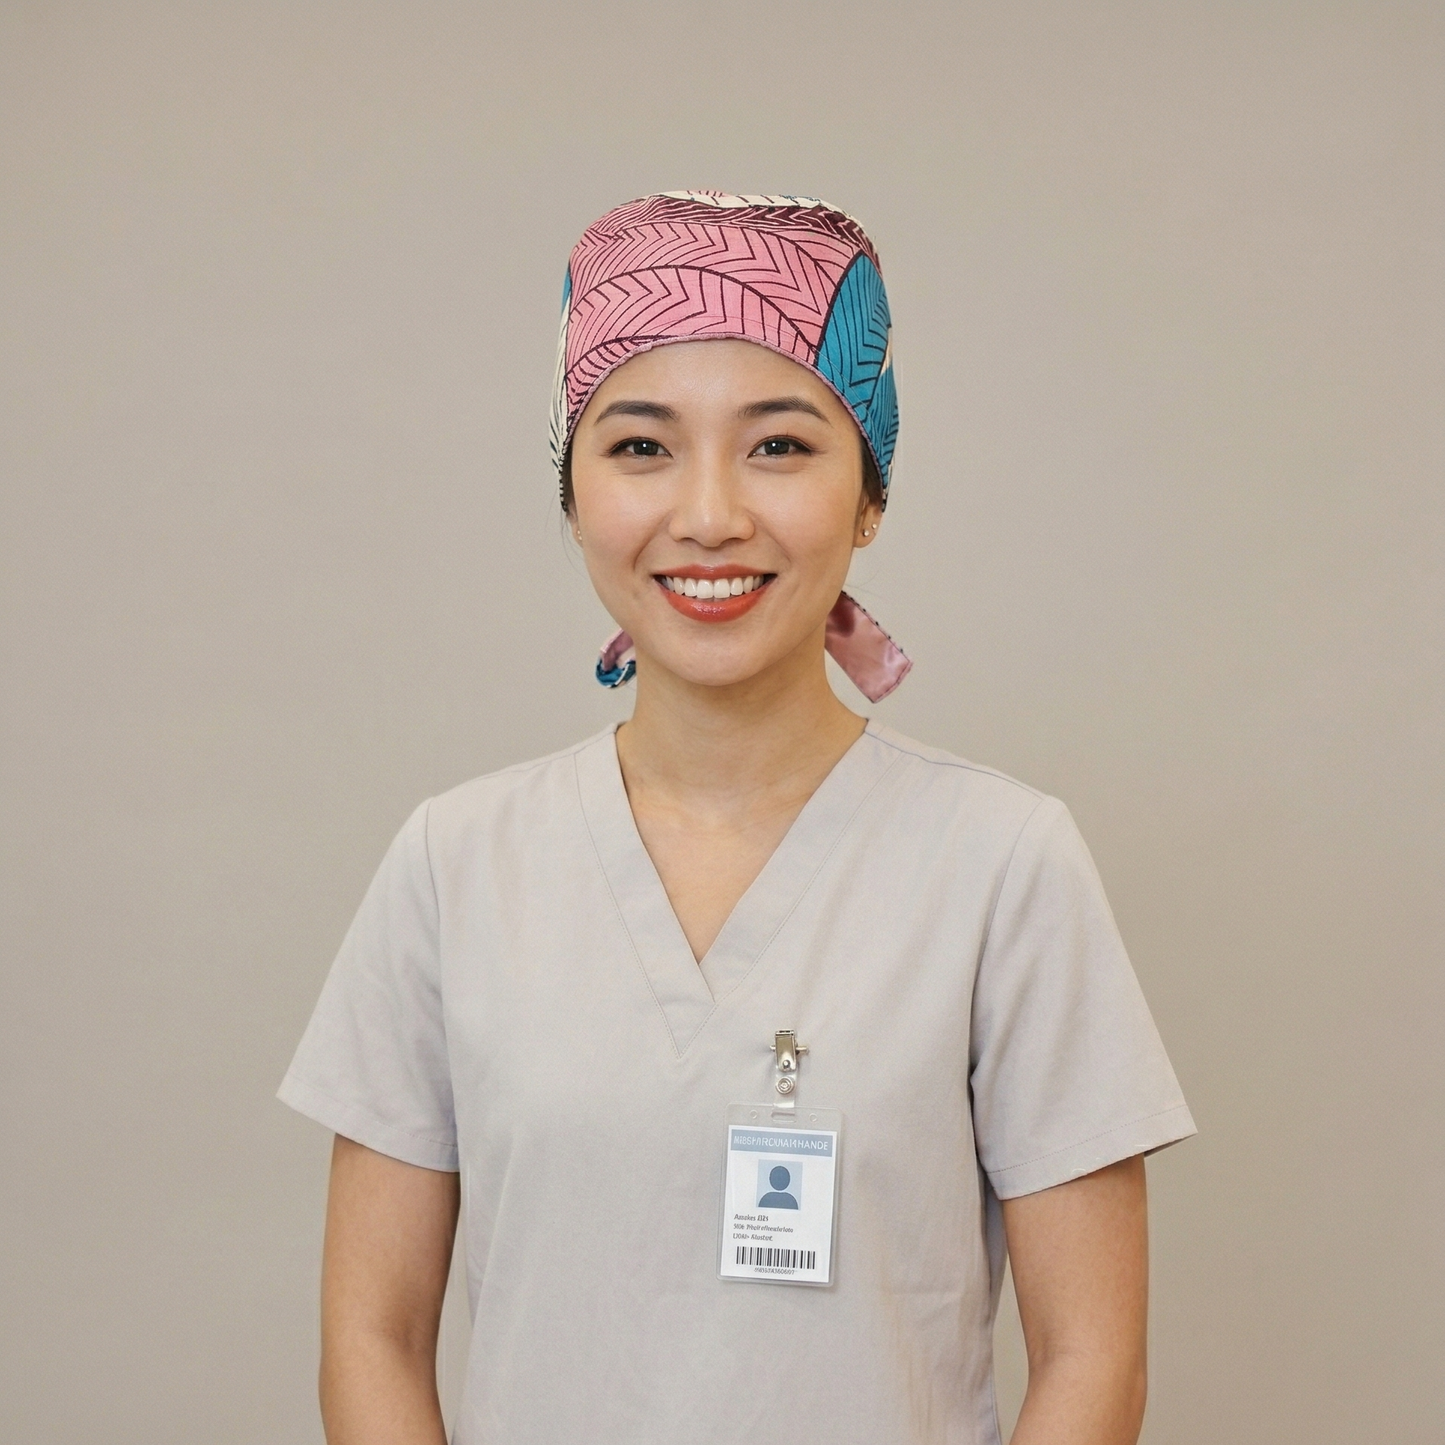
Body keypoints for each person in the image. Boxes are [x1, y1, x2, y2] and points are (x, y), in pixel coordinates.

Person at [279, 191, 1195, 1445]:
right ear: (571, 493)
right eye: (639, 446)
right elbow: (369, 1337)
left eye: (777, 444)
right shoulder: (455, 863)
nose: (708, 513)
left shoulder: (1001, 864)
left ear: (869, 495)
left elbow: (1092, 1357)